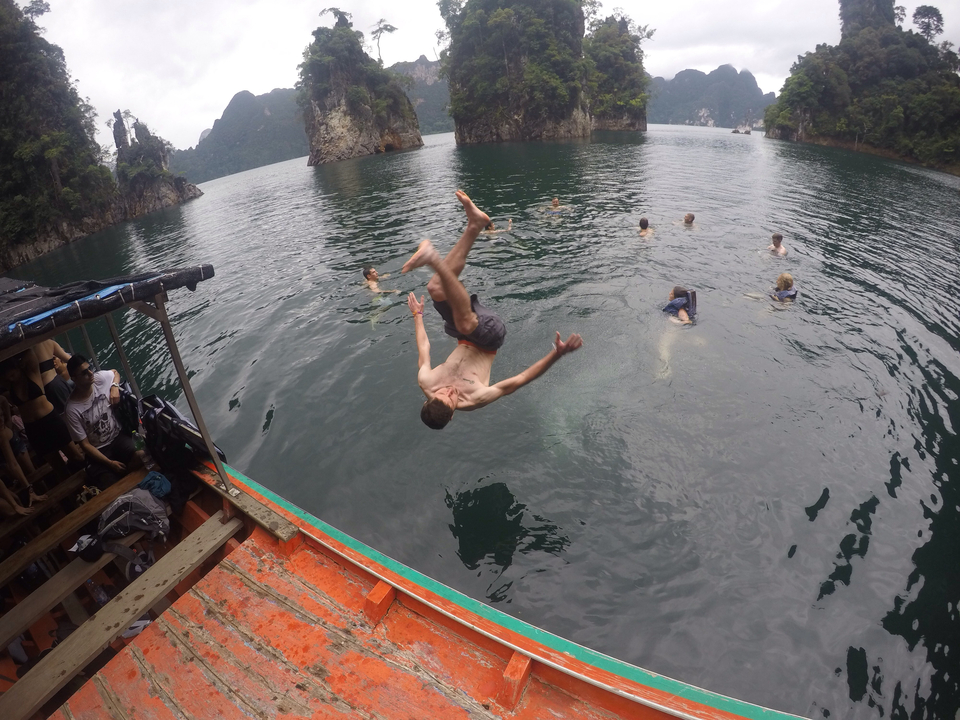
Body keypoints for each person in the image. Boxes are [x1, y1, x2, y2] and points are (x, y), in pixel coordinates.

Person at [402, 190, 583, 429]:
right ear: (454, 412)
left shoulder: (426, 381)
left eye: (442, 392)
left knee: (435, 287)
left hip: (462, 334)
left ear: (428, 399)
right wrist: (556, 355)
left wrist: (418, 315)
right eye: (452, 397)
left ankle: (475, 224)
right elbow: (519, 380)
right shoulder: (476, 398)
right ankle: (433, 258)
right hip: (490, 336)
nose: (449, 390)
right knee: (466, 323)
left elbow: (424, 347)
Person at [64, 355, 141, 489]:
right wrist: (109, 463)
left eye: (90, 368)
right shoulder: (72, 409)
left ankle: (127, 475)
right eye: (84, 373)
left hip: (117, 437)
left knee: (141, 455)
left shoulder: (99, 378)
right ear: (74, 379)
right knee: (111, 485)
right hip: (98, 449)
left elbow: (115, 373)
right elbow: (85, 445)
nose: (90, 374)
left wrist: (115, 387)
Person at [0, 349, 84, 468]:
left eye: (13, 375)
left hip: (50, 420)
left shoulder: (32, 373)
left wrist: (14, 357)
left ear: (18, 367)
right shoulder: (9, 385)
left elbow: (29, 351)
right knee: (57, 466)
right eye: (8, 378)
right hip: (33, 428)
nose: (11, 379)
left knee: (76, 456)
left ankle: (93, 480)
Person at [34, 339, 71, 414]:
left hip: (52, 388)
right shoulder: (48, 342)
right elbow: (70, 359)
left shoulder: (27, 350)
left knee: (67, 414)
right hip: (57, 383)